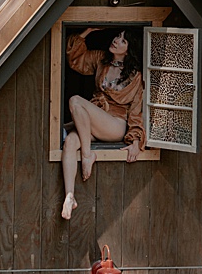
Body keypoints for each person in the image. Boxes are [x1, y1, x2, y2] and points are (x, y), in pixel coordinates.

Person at [61, 27, 145, 219]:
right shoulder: (101, 59)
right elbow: (76, 59)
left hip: (115, 123)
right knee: (70, 143)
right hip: (95, 120)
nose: (116, 40)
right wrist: (87, 30)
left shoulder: (135, 76)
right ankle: (70, 195)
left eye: (123, 40)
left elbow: (135, 110)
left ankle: (87, 155)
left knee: (75, 101)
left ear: (129, 49)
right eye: (117, 36)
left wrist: (135, 141)